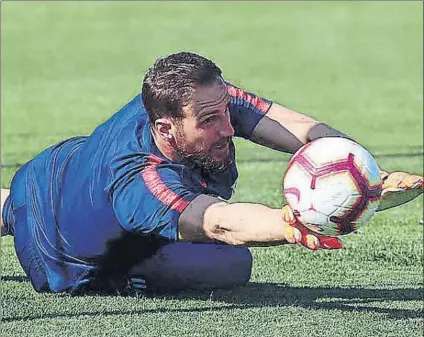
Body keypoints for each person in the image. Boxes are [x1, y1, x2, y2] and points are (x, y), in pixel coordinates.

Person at [1, 52, 422, 294]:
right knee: (230, 265)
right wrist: (292, 223)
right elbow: (219, 223)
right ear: (164, 128)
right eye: (209, 121)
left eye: (225, 111)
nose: (227, 126)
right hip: (56, 252)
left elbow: (292, 125)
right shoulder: (138, 182)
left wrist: (364, 171)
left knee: (17, 202)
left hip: (49, 171)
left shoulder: (187, 99)